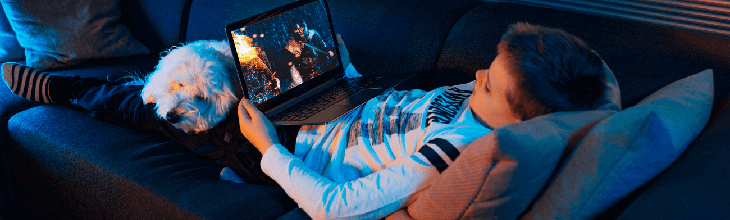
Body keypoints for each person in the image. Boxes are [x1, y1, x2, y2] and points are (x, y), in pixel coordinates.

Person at [2, 23, 606, 219]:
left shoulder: (451, 152)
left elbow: (335, 206)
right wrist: (338, 72)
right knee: (237, 53)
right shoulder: (478, 101)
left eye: (491, 83)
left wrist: (267, 147)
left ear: (520, 119)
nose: (476, 76)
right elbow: (598, 85)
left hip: (291, 141)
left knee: (161, 110)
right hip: (337, 104)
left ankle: (61, 88)